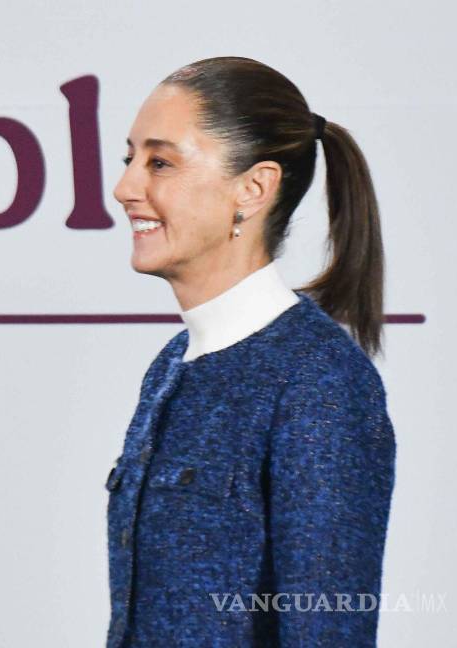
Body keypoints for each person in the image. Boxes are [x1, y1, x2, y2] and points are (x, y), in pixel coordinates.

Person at [104, 56, 396, 647]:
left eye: (160, 162)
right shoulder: (170, 365)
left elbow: (327, 631)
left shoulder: (319, 381)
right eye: (129, 159)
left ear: (254, 188)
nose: (125, 188)